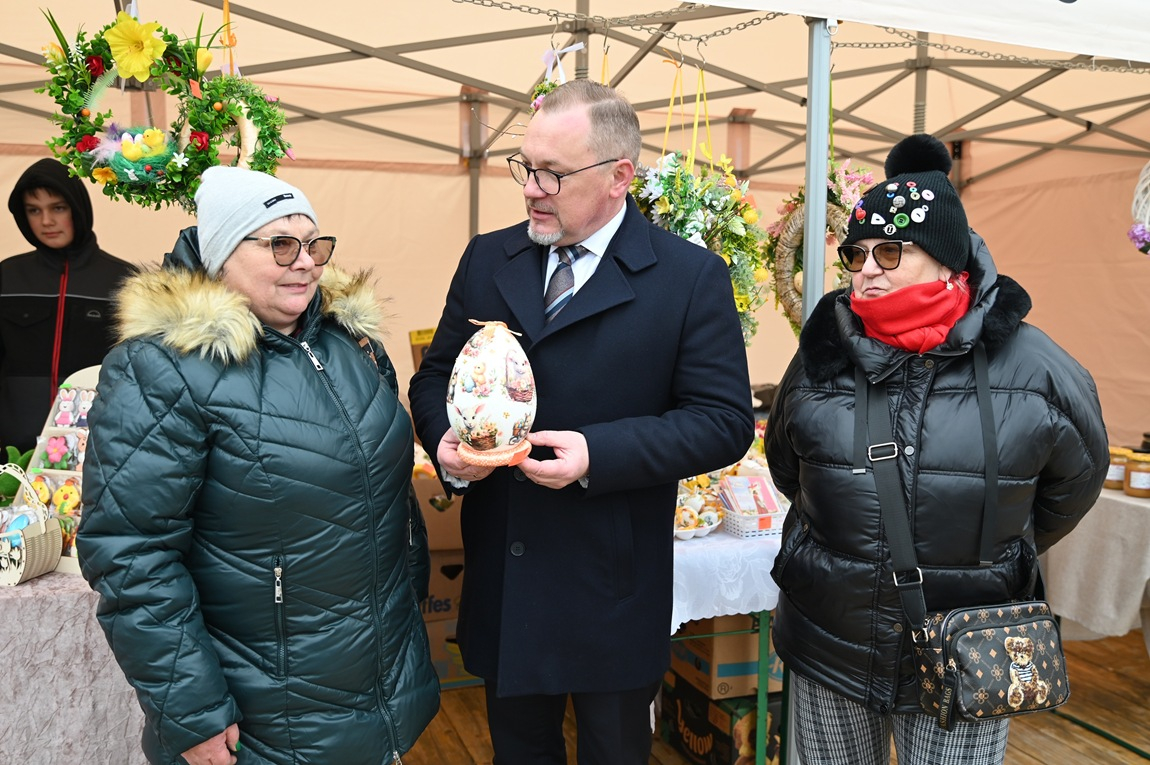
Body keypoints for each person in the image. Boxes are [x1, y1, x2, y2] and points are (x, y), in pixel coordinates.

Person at [407, 79, 754, 765]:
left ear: (619, 177)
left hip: (611, 589)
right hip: (508, 580)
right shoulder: (488, 257)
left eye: (553, 174)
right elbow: (433, 376)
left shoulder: (688, 278)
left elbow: (722, 421)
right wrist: (447, 441)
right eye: (526, 167)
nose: (532, 189)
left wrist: (598, 453)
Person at [76, 166, 439, 765]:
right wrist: (192, 713)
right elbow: (132, 554)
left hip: (381, 686)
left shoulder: (352, 345)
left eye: (314, 244)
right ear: (222, 255)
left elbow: (390, 498)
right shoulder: (161, 368)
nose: (306, 263)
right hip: (263, 714)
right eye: (281, 245)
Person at [765, 134, 1108, 765]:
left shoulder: (1035, 367)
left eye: (890, 251)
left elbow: (1077, 480)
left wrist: (993, 546)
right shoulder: (821, 357)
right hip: (832, 642)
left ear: (949, 262)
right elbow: (790, 468)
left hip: (970, 647)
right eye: (856, 253)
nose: (867, 269)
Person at [2, 157, 135, 452]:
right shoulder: (7, 277)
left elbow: (137, 375)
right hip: (13, 451)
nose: (46, 221)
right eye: (34, 210)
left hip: (95, 449)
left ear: (78, 209)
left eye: (58, 208)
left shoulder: (124, 280)